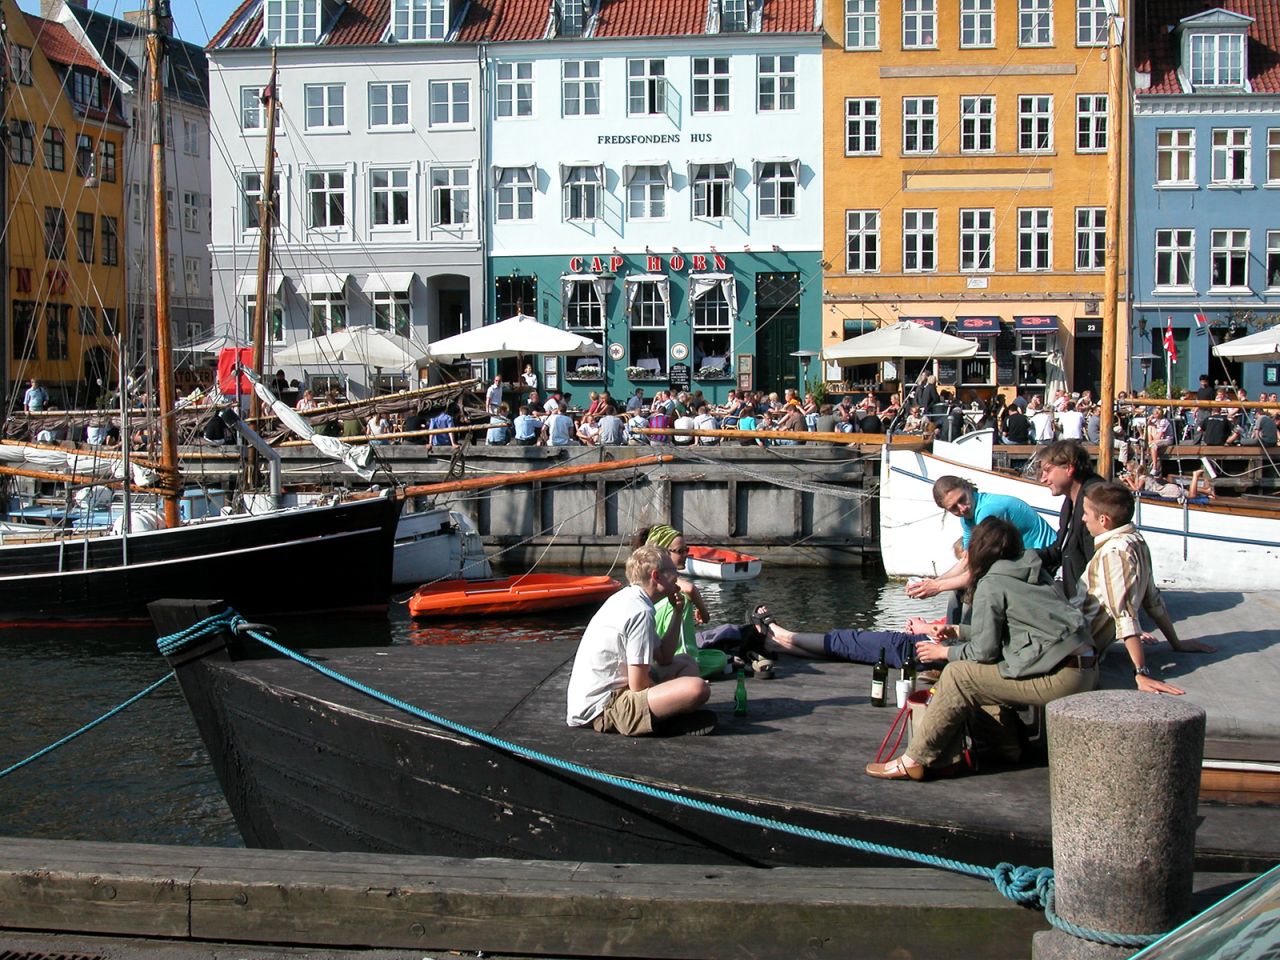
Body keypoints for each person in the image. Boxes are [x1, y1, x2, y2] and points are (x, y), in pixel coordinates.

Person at [866, 517, 1098, 780]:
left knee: (959, 675)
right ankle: (1007, 744)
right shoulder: (1032, 571)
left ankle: (915, 759)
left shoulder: (991, 583)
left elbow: (984, 652)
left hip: (1060, 677)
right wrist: (956, 631)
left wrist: (945, 652)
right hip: (1082, 667)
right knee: (978, 673)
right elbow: (1012, 633)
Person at [1076, 482, 1215, 695]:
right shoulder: (1136, 541)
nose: (1083, 518)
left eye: (1086, 513)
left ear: (1103, 520)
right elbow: (1152, 600)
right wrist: (1175, 642)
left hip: (1075, 643)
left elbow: (1123, 612)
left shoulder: (1113, 552)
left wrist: (1140, 673)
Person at [565, 545, 712, 736]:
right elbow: (639, 685)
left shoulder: (632, 599)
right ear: (656, 576)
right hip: (602, 709)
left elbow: (665, 658)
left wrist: (677, 612)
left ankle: (668, 716)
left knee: (686, 662)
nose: (678, 574)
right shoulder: (639, 612)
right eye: (673, 570)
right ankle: (667, 721)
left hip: (612, 695)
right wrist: (676, 694)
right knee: (696, 688)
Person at [906, 476, 1057, 609]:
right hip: (1022, 560)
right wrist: (929, 583)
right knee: (958, 592)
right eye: (954, 508)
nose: (962, 508)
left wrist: (938, 587)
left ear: (967, 488)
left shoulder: (989, 511)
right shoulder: (967, 519)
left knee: (973, 592)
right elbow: (967, 560)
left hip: (1046, 560)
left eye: (962, 499)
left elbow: (977, 571)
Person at [1037, 440, 1104, 599]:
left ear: (1068, 468)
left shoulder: (1094, 501)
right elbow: (1059, 550)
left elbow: (1098, 562)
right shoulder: (1070, 502)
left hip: (1091, 608)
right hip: (1077, 601)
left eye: (1047, 471)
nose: (1043, 479)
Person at [637, 524, 712, 664]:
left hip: (653, 650)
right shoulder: (671, 584)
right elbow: (689, 589)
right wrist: (703, 611)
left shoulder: (645, 577)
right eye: (680, 551)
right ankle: (685, 660)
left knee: (716, 655)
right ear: (663, 553)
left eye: (686, 550)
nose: (685, 555)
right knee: (680, 599)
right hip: (665, 657)